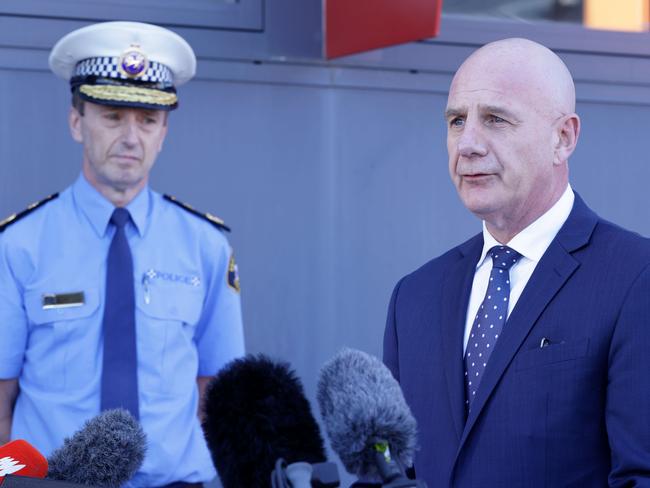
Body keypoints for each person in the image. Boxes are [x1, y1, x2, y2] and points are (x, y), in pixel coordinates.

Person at [383, 38, 650, 487]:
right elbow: (395, 472)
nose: (467, 144)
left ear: (562, 138)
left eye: (495, 119)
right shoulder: (414, 297)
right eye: (456, 121)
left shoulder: (635, 278)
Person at [0, 21, 245, 487]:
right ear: (77, 122)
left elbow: (217, 393)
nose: (131, 137)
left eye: (147, 120)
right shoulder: (18, 246)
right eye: (112, 115)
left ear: (164, 131)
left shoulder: (206, 247)